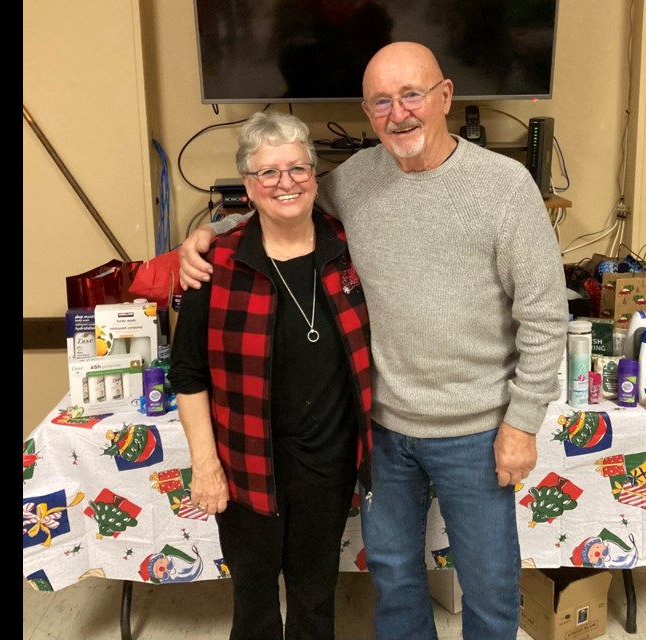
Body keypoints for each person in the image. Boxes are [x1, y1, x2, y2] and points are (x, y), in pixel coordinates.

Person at [179, 42, 568, 640]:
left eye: (411, 95)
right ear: (368, 112)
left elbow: (544, 317)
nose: (399, 113)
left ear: (444, 98)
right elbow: (285, 206)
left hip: (479, 430)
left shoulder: (504, 186)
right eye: (381, 101)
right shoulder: (354, 182)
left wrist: (522, 423)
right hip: (381, 430)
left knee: (489, 584)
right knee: (394, 577)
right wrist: (211, 233)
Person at [168, 111, 373, 640]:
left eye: (297, 168)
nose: (286, 182)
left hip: (327, 463)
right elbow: (188, 373)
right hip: (244, 465)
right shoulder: (217, 265)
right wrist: (205, 464)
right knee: (255, 604)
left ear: (314, 174)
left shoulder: (352, 250)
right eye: (268, 173)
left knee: (314, 599)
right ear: (249, 186)